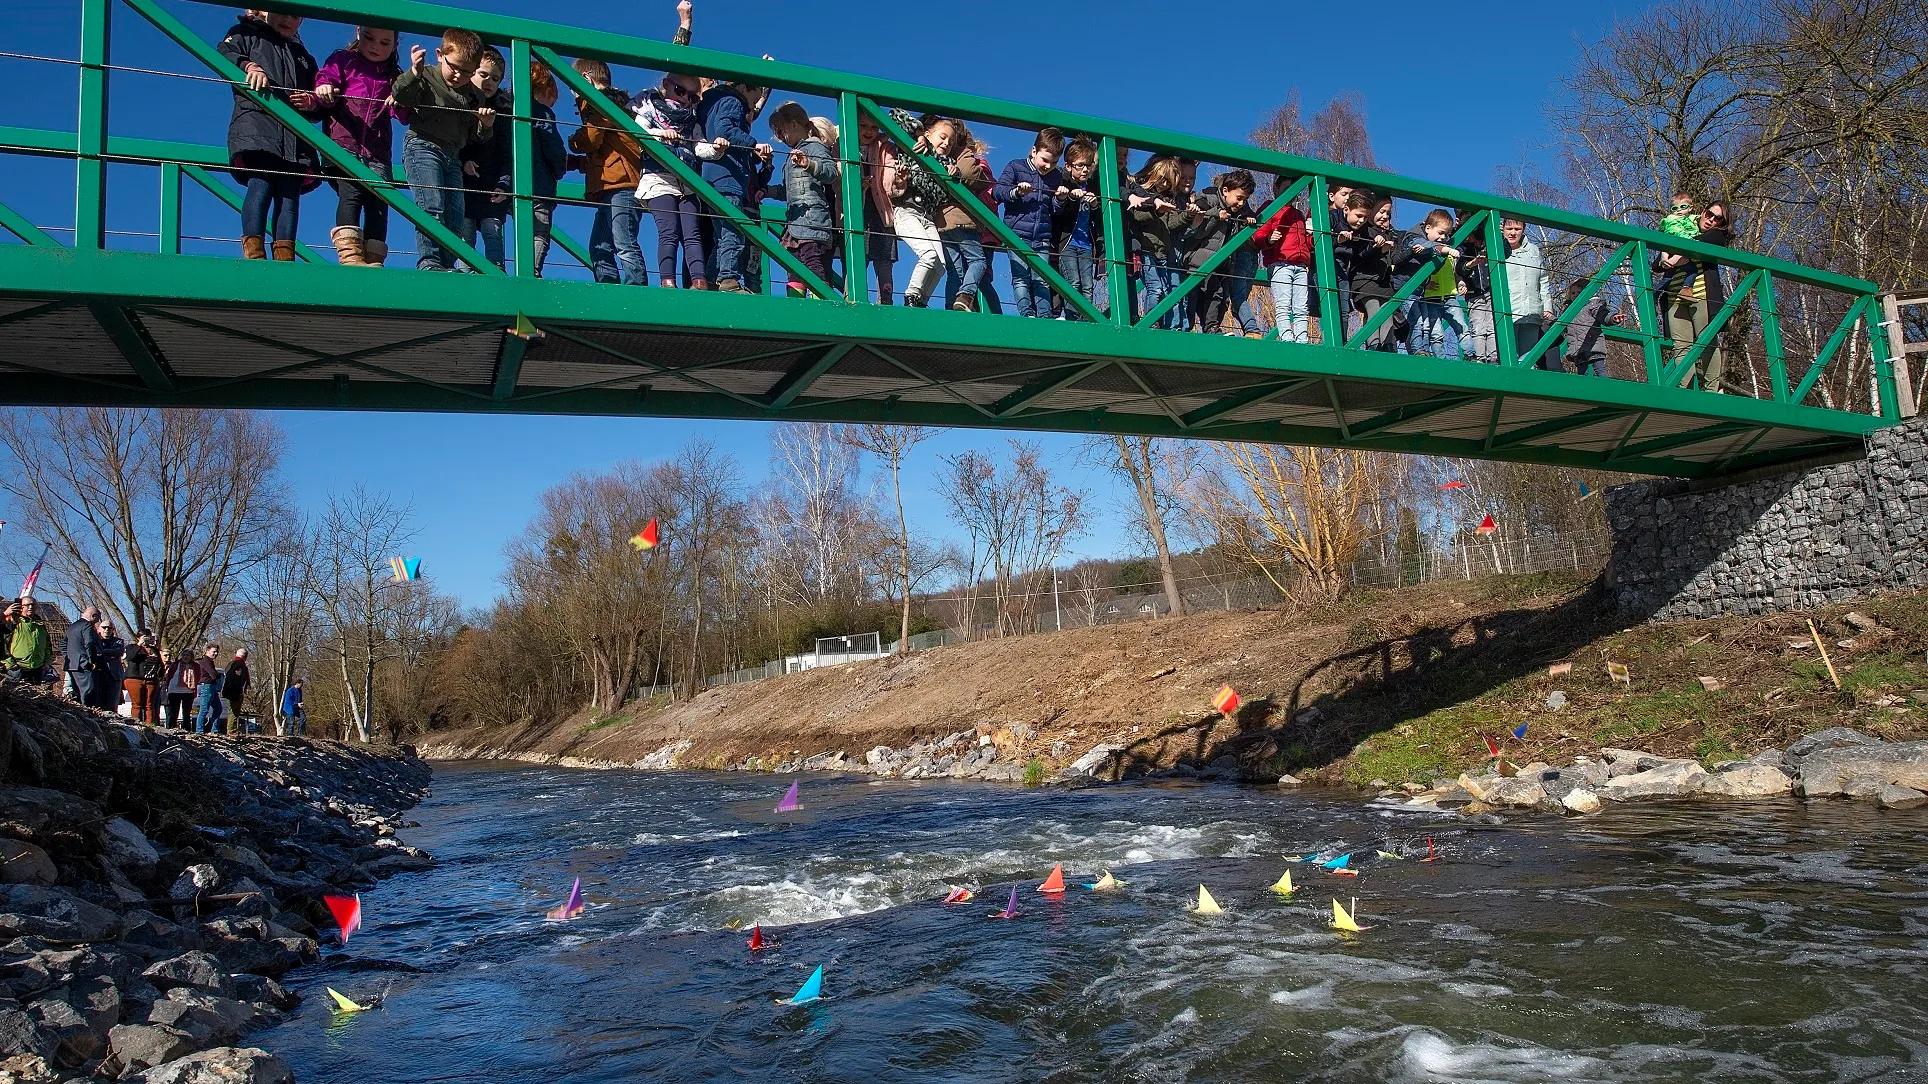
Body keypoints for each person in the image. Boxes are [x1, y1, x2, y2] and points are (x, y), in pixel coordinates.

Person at [218, 10, 322, 261]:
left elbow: (318, 96)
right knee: (261, 185)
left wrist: (312, 102)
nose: (288, 19)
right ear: (263, 11)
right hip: (257, 128)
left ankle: (284, 256)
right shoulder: (246, 34)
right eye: (280, 12)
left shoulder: (303, 56)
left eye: (295, 16)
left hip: (296, 138)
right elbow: (224, 52)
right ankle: (254, 251)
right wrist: (248, 65)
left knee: (289, 196)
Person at [391, 29, 491, 271]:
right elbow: (401, 96)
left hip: (452, 155)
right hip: (423, 146)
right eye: (454, 67)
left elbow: (472, 136)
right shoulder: (425, 75)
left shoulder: (474, 95)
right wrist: (413, 72)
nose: (459, 75)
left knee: (455, 214)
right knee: (432, 206)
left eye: (467, 71)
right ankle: (430, 262)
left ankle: (447, 264)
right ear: (440, 54)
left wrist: (485, 126)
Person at [314, 25, 401, 266]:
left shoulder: (394, 75)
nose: (375, 46)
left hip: (377, 150)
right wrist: (324, 87)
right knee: (351, 192)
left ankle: (374, 259)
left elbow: (403, 113)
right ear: (358, 33)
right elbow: (326, 77)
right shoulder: (343, 59)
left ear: (395, 45)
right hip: (342, 142)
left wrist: (402, 99)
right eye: (369, 38)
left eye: (385, 43)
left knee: (379, 201)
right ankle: (350, 255)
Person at [632, 73, 706, 288]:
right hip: (658, 178)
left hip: (686, 181)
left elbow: (699, 146)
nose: (685, 100)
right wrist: (661, 134)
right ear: (666, 85)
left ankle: (699, 281)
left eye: (693, 98)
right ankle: (667, 281)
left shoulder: (691, 121)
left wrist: (716, 148)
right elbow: (638, 135)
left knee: (692, 233)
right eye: (681, 91)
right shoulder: (648, 109)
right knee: (669, 231)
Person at [1655, 201, 1733, 391]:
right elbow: (1657, 264)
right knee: (1681, 347)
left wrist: (1679, 249)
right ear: (1703, 212)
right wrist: (1665, 256)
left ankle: (1711, 392)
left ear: (1722, 223)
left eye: (1718, 218)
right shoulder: (1682, 226)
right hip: (1674, 296)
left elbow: (1708, 243)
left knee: (1707, 342)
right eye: (1709, 214)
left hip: (1701, 295)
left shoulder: (1715, 235)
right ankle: (1685, 391)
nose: (1711, 220)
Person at [916, 119, 990, 313]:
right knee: (978, 261)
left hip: (941, 223)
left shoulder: (931, 152)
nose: (947, 143)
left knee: (955, 270)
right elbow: (971, 173)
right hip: (962, 219)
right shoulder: (960, 152)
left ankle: (952, 308)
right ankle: (966, 296)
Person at [696, 78, 762, 292]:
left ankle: (711, 280)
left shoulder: (709, 105)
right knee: (733, 231)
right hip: (728, 176)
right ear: (743, 87)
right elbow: (725, 129)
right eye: (755, 96)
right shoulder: (733, 101)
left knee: (721, 235)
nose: (753, 103)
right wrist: (753, 145)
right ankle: (728, 281)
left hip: (711, 176)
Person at [768, 103, 839, 298]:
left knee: (813, 263)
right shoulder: (794, 154)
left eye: (781, 131)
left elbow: (831, 173)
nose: (781, 138)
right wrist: (767, 191)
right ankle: (797, 307)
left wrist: (809, 164)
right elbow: (788, 191)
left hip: (813, 223)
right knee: (794, 268)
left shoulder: (814, 147)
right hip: (795, 225)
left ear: (793, 125)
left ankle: (823, 306)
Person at [993, 130, 1063, 319]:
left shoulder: (1055, 176)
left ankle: (1045, 315)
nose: (1048, 166)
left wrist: (1060, 199)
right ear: (1034, 151)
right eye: (1045, 160)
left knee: (1042, 279)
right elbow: (998, 191)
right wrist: (1016, 192)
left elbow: (1054, 209)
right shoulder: (1015, 167)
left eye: (1054, 162)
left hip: (1042, 236)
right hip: (1016, 234)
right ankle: (1027, 314)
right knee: (1021, 278)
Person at [881, 110, 945, 308]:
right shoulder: (910, 147)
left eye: (950, 142)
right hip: (905, 211)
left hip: (927, 217)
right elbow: (895, 114)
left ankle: (921, 302)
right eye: (942, 137)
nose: (946, 143)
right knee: (928, 254)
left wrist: (954, 172)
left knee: (941, 265)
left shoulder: (943, 163)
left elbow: (949, 189)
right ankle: (911, 296)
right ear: (927, 134)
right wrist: (918, 134)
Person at [1182, 170, 1258, 335]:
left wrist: (1249, 219)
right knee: (1191, 296)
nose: (1241, 203)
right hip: (1198, 260)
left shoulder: (1241, 209)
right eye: (1239, 198)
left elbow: (1249, 214)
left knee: (1217, 295)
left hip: (1220, 263)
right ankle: (1185, 328)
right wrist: (1215, 215)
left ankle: (1212, 328)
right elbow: (1197, 224)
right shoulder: (1209, 198)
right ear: (1225, 191)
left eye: (1245, 199)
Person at [458, 47, 513, 270]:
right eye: (483, 75)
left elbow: (508, 153)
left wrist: (505, 184)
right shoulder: (461, 101)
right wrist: (464, 160)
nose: (489, 81)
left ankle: (496, 274)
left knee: (493, 233)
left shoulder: (504, 111)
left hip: (493, 187)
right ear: (471, 72)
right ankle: (464, 278)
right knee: (465, 235)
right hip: (464, 187)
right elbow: (456, 139)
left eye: (495, 78)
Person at [1127, 156, 1190, 329]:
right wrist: (1156, 209)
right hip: (1146, 248)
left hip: (1163, 250)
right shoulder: (1143, 194)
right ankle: (1151, 322)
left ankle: (1163, 322)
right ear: (1154, 175)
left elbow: (1170, 223)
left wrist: (1186, 215)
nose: (1164, 185)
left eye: (1168, 182)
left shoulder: (1168, 199)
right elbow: (1137, 216)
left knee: (1167, 289)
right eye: (1162, 179)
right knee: (1155, 288)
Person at [1394, 209, 1462, 358]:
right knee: (1416, 321)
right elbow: (1425, 245)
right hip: (1405, 286)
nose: (1443, 237)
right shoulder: (1414, 237)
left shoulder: (1433, 238)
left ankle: (1423, 350)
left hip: (1419, 289)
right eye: (1440, 233)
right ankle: (1418, 352)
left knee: (1425, 324)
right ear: (1428, 228)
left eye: (1446, 234)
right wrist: (1445, 249)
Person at [1048, 136, 1104, 319]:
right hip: (1067, 243)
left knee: (1088, 286)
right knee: (1073, 283)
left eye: (1088, 165)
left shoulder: (1093, 185)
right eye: (1080, 165)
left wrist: (1095, 204)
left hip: (1087, 244)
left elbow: (1098, 219)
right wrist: (1071, 197)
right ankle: (1073, 320)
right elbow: (1057, 213)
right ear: (1069, 165)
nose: (1085, 169)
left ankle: (1086, 321)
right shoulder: (1061, 181)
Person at [1255, 177, 1312, 343]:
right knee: (1283, 304)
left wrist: (1313, 239)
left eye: (1294, 190)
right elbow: (1258, 234)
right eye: (1286, 189)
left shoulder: (1299, 214)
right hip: (1280, 263)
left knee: (1302, 306)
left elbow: (1304, 240)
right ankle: (1287, 338)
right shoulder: (1270, 208)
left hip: (1300, 265)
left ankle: (1302, 339)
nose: (1291, 194)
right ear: (1275, 188)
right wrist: (1268, 239)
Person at [1336, 192, 1395, 350]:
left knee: (1388, 313)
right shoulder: (1364, 231)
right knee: (1374, 310)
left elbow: (1397, 257)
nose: (1385, 216)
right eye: (1381, 211)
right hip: (1363, 280)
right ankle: (1373, 346)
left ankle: (1388, 346)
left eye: (1388, 213)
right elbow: (1359, 256)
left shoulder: (1390, 233)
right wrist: (1376, 248)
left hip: (1383, 282)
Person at [525, 62, 568, 277]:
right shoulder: (543, 113)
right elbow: (554, 149)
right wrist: (560, 168)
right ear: (546, 91)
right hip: (540, 184)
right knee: (540, 232)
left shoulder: (508, 108)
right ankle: (531, 271)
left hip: (510, 182)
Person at [854, 110, 898, 304]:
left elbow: (889, 170)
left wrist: (895, 182)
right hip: (857, 214)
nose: (869, 131)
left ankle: (886, 303)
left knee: (884, 262)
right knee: (856, 260)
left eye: (874, 127)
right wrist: (857, 184)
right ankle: (853, 301)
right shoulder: (843, 145)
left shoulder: (884, 147)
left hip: (882, 214)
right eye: (863, 126)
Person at [1497, 217, 1554, 363]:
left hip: (1532, 311)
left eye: (1517, 229)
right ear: (1502, 228)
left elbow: (1543, 280)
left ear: (1524, 229)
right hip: (1506, 311)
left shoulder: (1534, 250)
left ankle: (1524, 385)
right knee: (1507, 357)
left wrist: (1547, 306)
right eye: (1509, 229)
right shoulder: (1495, 247)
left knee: (1528, 359)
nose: (1513, 233)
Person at [1455, 209, 1496, 362]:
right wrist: (1471, 264)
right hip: (1473, 291)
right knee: (1478, 327)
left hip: (1493, 290)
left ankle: (1494, 358)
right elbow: (1459, 268)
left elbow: (1506, 251)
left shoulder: (1491, 238)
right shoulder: (1464, 245)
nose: (1470, 239)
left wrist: (1501, 235)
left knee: (1493, 326)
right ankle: (1479, 359)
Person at [1562, 279, 1613, 378]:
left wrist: (1612, 318)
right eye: (1573, 293)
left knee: (1599, 369)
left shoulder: (1592, 305)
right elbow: (1563, 326)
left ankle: (1607, 388)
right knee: (1581, 373)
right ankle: (1585, 391)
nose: (1576, 295)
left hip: (1593, 343)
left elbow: (1603, 315)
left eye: (1579, 292)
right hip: (1578, 347)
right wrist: (1551, 320)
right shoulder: (1568, 311)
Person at [4, 599, 51, 685]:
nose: (30, 607)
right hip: (17, 669)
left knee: (36, 697)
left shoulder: (40, 625)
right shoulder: (13, 623)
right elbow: (3, 644)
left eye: (33, 605)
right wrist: (10, 663)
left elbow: (48, 645)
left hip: (38, 669)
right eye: (27, 605)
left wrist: (47, 662)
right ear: (20, 607)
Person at [64, 605, 103, 706]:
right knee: (89, 692)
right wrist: (92, 660)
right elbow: (89, 643)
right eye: (97, 619)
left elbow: (63, 643)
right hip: (84, 664)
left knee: (77, 692)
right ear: (93, 615)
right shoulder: (87, 625)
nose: (97, 621)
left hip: (72, 665)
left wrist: (69, 656)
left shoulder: (72, 626)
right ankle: (89, 714)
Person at [124, 629, 161, 725]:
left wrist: (159, 676)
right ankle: (137, 725)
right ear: (138, 638)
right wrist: (139, 645)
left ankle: (150, 726)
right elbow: (130, 657)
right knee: (137, 705)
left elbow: (160, 664)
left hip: (151, 680)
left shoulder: (155, 650)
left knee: (149, 705)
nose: (147, 639)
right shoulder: (131, 647)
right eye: (144, 637)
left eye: (149, 637)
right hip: (135, 679)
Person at [93, 618, 125, 712]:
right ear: (99, 629)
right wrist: (108, 653)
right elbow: (94, 651)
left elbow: (119, 651)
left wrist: (103, 652)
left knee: (112, 704)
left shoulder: (118, 641)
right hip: (99, 674)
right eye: (104, 627)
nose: (107, 630)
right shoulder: (94, 641)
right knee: (98, 704)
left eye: (109, 628)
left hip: (114, 676)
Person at [193, 644, 224, 735]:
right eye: (214, 651)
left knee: (218, 708)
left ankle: (214, 730)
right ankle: (199, 730)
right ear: (207, 651)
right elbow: (214, 675)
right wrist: (219, 675)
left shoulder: (209, 661)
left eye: (217, 652)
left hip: (212, 687)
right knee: (204, 710)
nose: (216, 653)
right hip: (206, 687)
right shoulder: (205, 661)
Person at [162, 648, 195, 729]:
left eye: (187, 655)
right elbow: (169, 675)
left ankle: (186, 729)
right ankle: (172, 728)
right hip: (174, 690)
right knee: (173, 712)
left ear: (191, 656)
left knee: (186, 713)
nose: (185, 657)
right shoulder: (176, 664)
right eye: (183, 655)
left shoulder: (195, 666)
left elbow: (198, 677)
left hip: (188, 691)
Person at [224, 648, 253, 732]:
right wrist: (243, 689)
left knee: (231, 711)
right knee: (234, 712)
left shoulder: (229, 664)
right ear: (245, 657)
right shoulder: (241, 665)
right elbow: (241, 679)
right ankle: (232, 730)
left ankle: (232, 730)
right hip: (235, 692)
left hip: (228, 690)